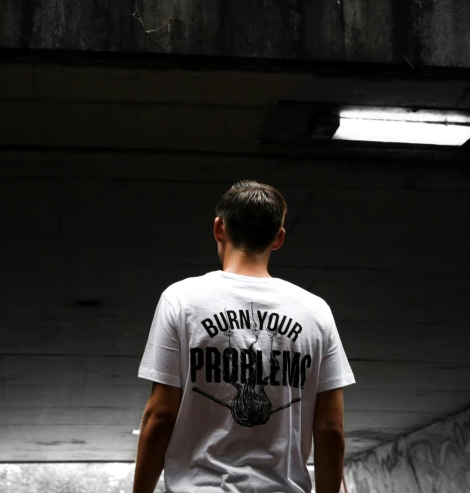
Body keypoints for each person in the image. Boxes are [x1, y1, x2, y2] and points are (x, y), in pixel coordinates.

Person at [134, 180, 355, 493]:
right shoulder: (315, 312)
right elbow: (331, 428)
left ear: (219, 229)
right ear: (278, 238)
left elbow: (160, 415)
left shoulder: (181, 299)